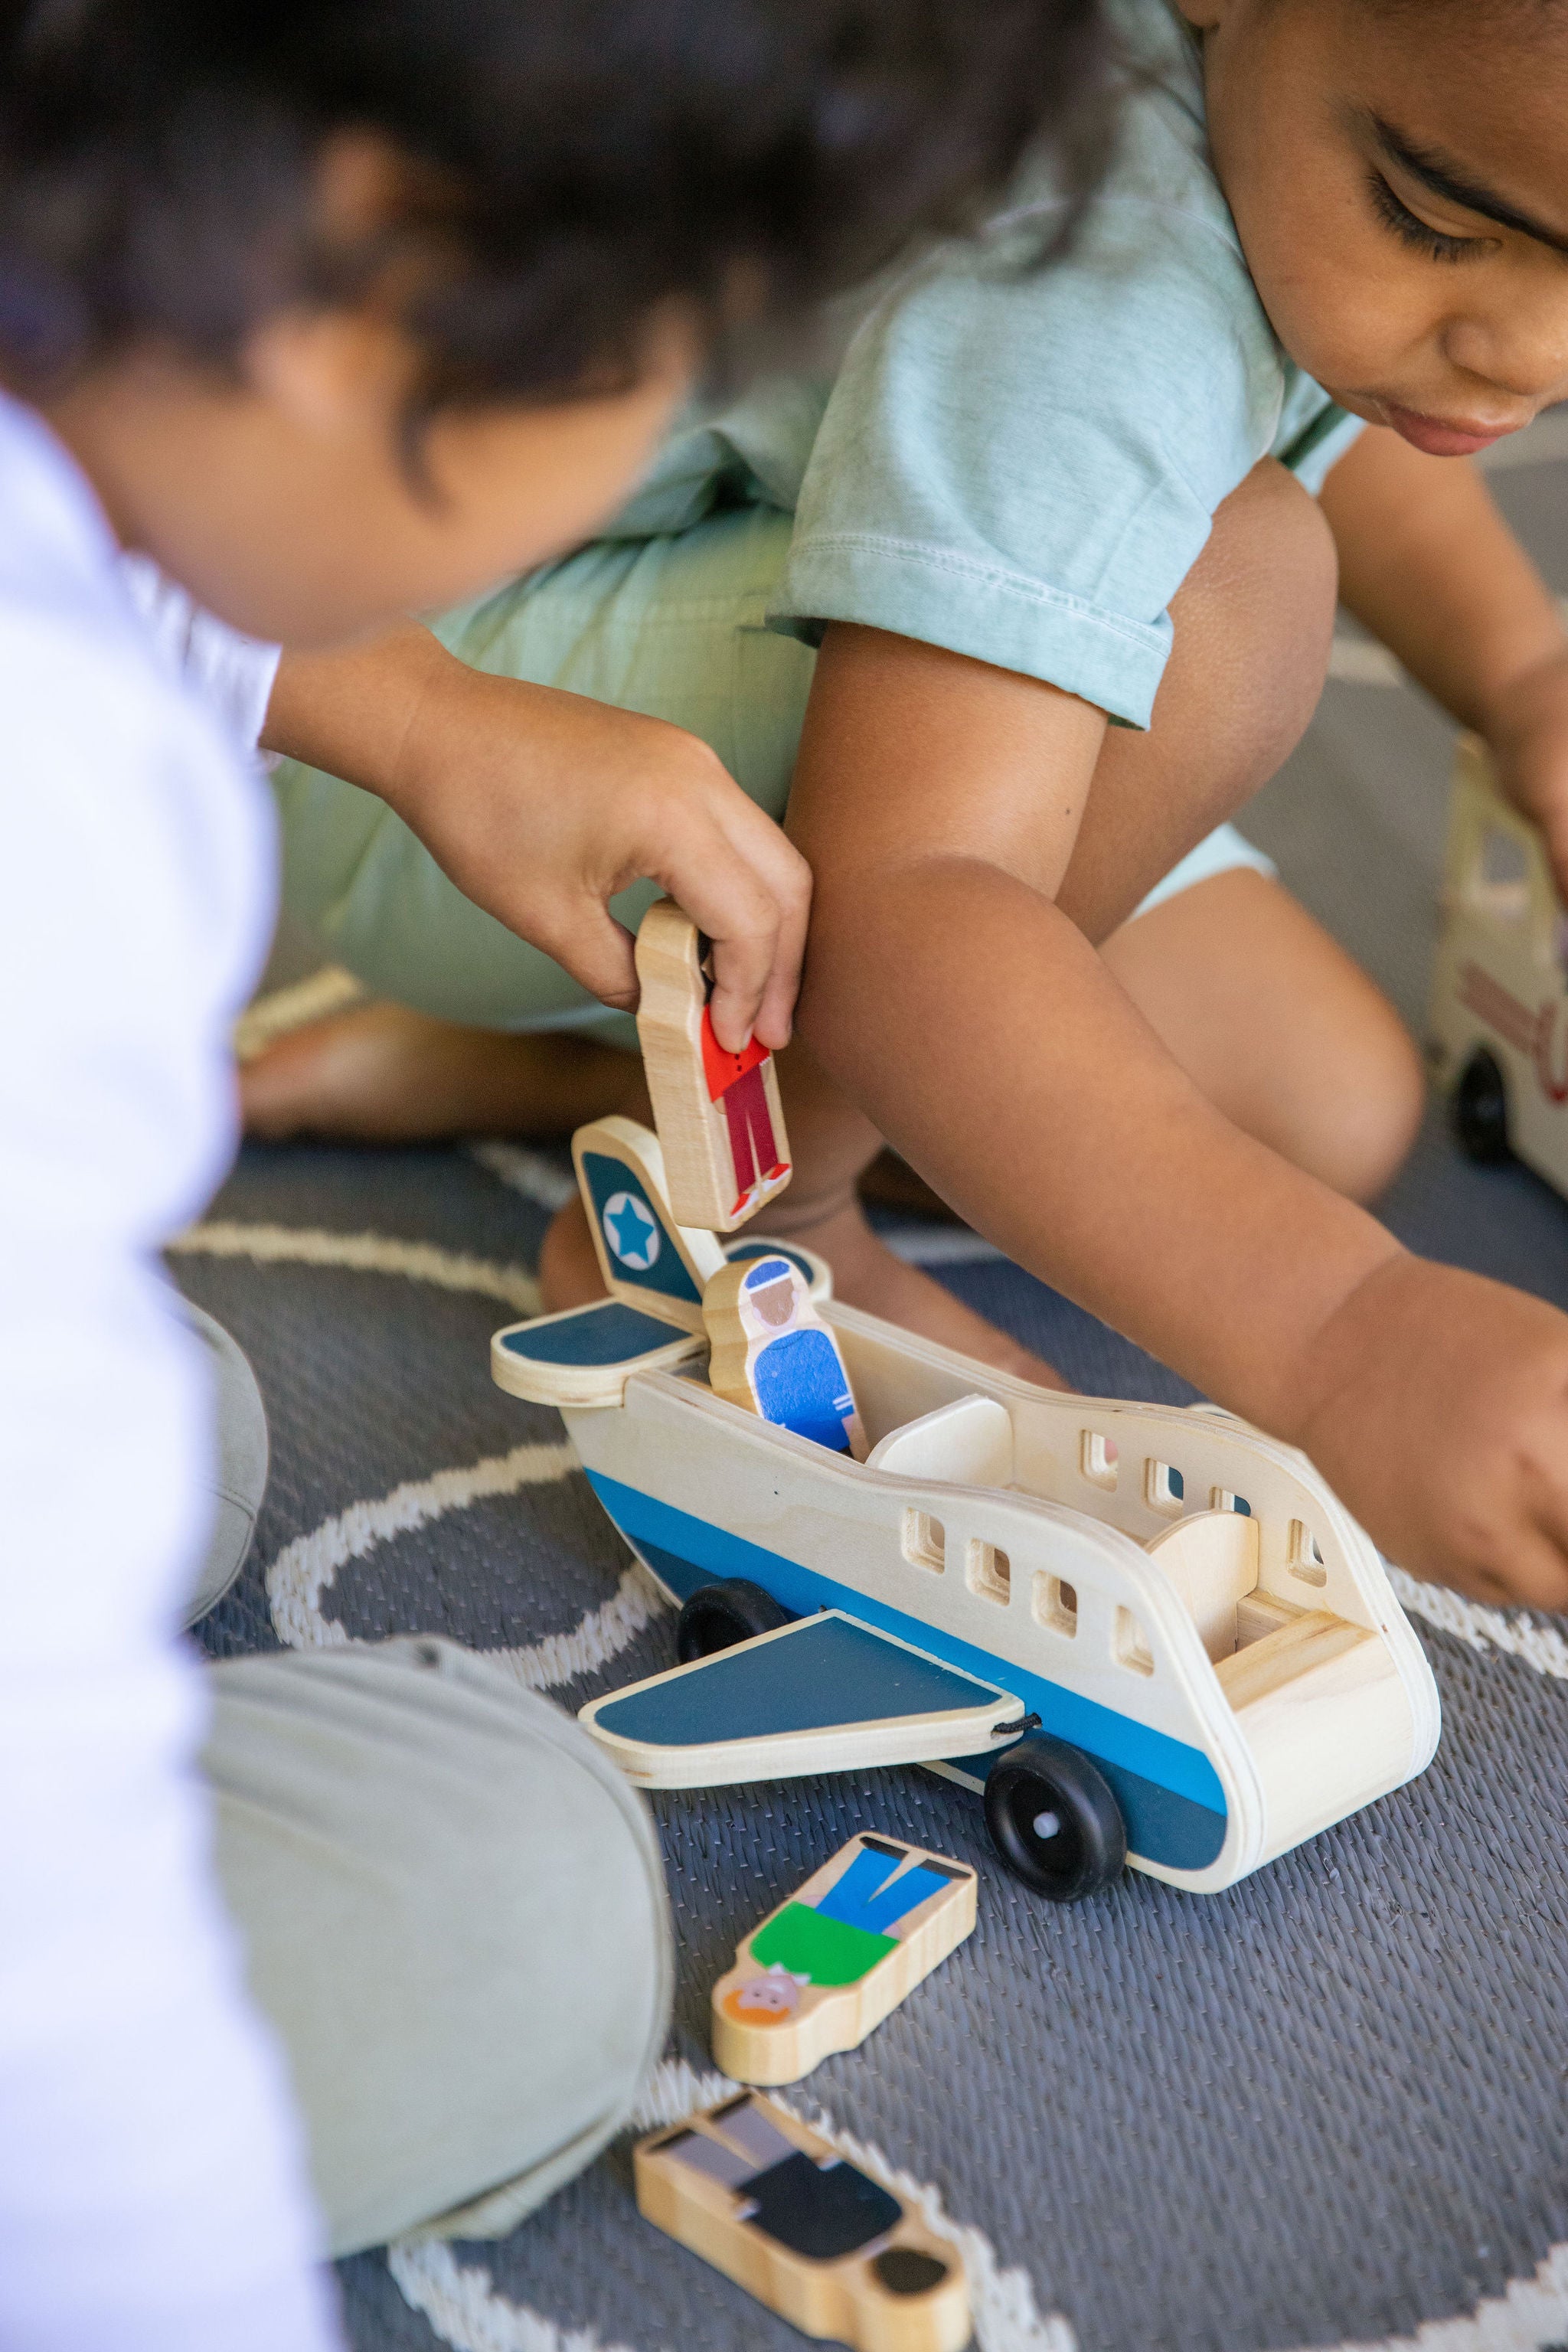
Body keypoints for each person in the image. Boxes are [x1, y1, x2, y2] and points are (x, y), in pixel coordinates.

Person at [0, 1, 1105, 2342]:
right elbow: (57, 1970)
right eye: (664, 356)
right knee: (509, 1912)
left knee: (171, 1433)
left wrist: (420, 710)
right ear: (378, 270)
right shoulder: (59, 845)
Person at [246, 0, 1568, 1613]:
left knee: (1318, 1105)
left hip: (830, 686)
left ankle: (600, 1073)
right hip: (446, 746)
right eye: (1436, 222)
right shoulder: (1091, 291)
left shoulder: (1310, 113)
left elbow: (1368, 406)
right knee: (1231, 596)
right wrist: (1345, 1339)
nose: (1529, 357)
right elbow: (916, 893)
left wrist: (1526, 680)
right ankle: (758, 1221)